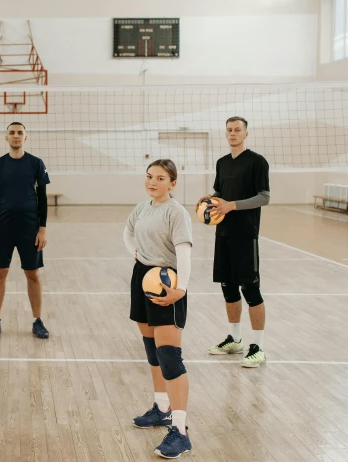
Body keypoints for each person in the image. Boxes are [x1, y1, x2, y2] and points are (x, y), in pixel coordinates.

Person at [125, 159, 193, 459]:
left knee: (169, 356)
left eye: (160, 178)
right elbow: (126, 233)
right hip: (142, 277)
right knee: (152, 349)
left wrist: (181, 289)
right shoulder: (142, 208)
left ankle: (180, 430)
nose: (153, 182)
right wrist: (135, 253)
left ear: (173, 183)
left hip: (167, 282)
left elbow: (184, 251)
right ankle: (162, 408)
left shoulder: (175, 212)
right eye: (150, 176)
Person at [197, 116, 270, 368]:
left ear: (246, 134)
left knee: (250, 289)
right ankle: (235, 340)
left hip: (245, 233)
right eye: (229, 130)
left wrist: (233, 206)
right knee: (228, 288)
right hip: (223, 233)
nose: (233, 133)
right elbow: (221, 194)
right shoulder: (222, 163)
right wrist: (212, 199)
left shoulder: (257, 162)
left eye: (237, 130)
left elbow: (264, 197)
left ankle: (258, 346)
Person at [0, 122, 50, 339]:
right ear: (6, 138)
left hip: (29, 228)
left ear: (26, 137)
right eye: (12, 133)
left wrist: (42, 229)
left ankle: (37, 320)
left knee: (32, 274)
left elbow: (42, 199)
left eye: (20, 132)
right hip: (2, 228)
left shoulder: (36, 163)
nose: (16, 136)